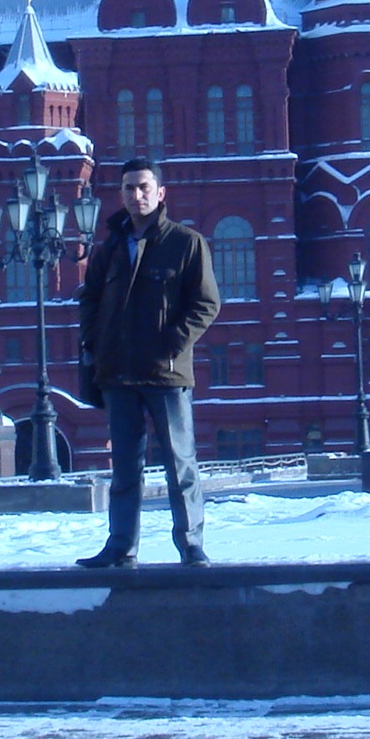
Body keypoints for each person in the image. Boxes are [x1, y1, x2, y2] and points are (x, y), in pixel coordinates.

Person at [75, 156, 222, 569]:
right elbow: (89, 299)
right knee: (124, 469)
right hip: (118, 373)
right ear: (121, 194)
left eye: (144, 187)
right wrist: (94, 343)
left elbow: (207, 303)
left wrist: (171, 344)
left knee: (180, 464)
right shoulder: (110, 248)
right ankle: (120, 547)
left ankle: (191, 546)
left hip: (166, 373)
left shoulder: (186, 243)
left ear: (160, 193)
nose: (136, 195)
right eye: (129, 188)